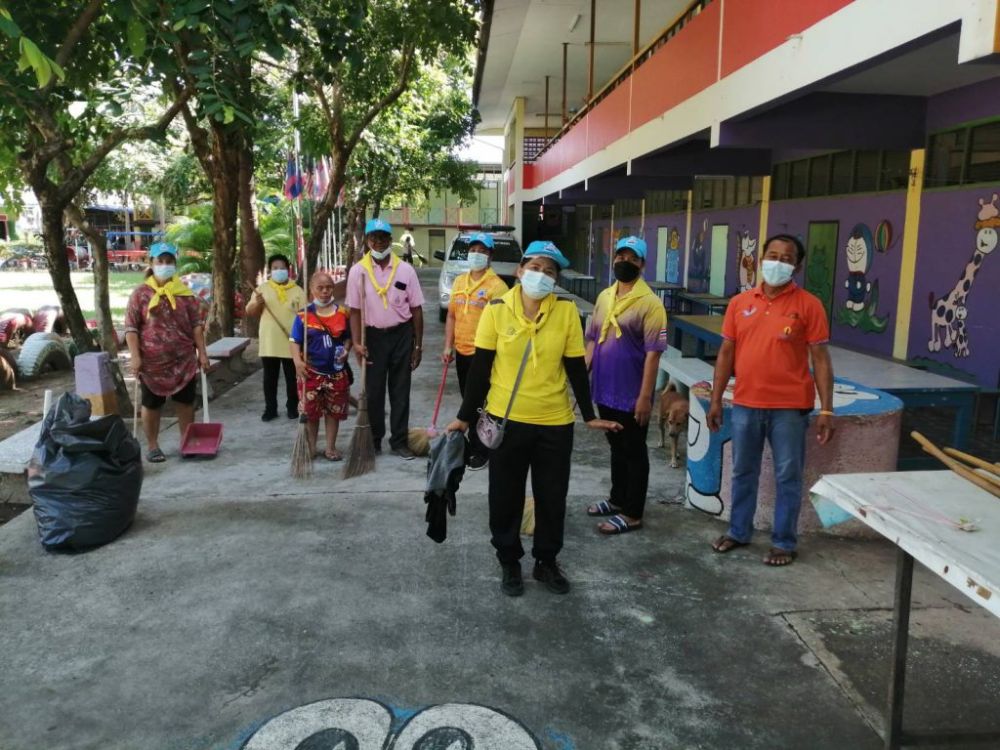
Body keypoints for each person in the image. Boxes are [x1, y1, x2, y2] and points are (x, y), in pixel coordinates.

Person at [445, 240, 622, 597]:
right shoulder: (496, 310)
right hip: (506, 421)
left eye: (550, 271)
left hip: (554, 424)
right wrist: (464, 419)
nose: (541, 276)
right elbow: (480, 370)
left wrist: (588, 416)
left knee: (552, 496)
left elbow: (574, 368)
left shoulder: (566, 312)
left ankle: (546, 562)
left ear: (556, 279)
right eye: (536, 268)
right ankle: (509, 560)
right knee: (505, 496)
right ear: (521, 270)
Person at [707, 234, 835, 566]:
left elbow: (820, 359)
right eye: (773, 255)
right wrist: (717, 399)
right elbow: (726, 353)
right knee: (742, 471)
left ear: (798, 266)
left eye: (787, 258)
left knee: (788, 476)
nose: (778, 262)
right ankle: (738, 531)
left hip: (790, 409)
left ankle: (783, 542)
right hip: (747, 403)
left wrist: (827, 408)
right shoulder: (740, 303)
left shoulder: (809, 305)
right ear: (761, 258)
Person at [585, 236, 666, 535]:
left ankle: (633, 513)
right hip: (604, 389)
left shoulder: (651, 304)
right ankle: (617, 498)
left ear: (642, 264)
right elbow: (593, 338)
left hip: (632, 393)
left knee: (634, 451)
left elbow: (653, 354)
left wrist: (646, 397)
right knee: (615, 446)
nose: (625, 263)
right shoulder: (605, 296)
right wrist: (583, 378)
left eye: (633, 259)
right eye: (621, 256)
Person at [124, 242, 211, 463]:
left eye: (169, 261)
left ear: (175, 264)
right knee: (152, 403)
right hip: (152, 363)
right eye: (160, 261)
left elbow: (196, 326)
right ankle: (153, 446)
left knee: (185, 402)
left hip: (183, 359)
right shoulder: (140, 295)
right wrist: (135, 356)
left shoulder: (185, 294)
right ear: (151, 264)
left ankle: (187, 442)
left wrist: (202, 353)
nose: (164, 265)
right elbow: (131, 328)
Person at [346, 217, 425, 459]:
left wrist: (417, 345)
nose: (378, 242)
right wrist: (357, 343)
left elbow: (417, 309)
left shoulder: (405, 270)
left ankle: (399, 441)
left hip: (401, 335)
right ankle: (375, 439)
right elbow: (354, 310)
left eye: (383, 237)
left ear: (390, 240)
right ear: (367, 241)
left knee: (400, 390)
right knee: (374, 391)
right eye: (374, 238)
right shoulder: (358, 271)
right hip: (373, 338)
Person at [441, 232, 509, 470]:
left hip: (485, 355)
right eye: (473, 250)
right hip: (461, 351)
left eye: (482, 251)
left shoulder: (498, 286)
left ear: (490, 255)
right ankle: (474, 443)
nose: (476, 255)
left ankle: (483, 449)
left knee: (482, 403)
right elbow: (451, 316)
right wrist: (448, 345)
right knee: (469, 399)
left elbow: (501, 324)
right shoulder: (459, 282)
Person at [290, 272, 352, 461]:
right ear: (312, 289)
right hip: (311, 373)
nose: (325, 291)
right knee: (311, 413)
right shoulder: (304, 316)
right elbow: (294, 341)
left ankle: (330, 448)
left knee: (334, 412)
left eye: (329, 287)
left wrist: (346, 350)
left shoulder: (342, 313)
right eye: (320, 288)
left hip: (336, 373)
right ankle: (311, 447)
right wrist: (297, 361)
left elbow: (347, 338)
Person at [245, 254, 307, 421]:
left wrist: (303, 339)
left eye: (282, 268)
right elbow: (250, 312)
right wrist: (256, 303)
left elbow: (305, 317)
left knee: (292, 378)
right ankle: (270, 409)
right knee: (269, 378)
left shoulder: (298, 291)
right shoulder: (262, 289)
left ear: (288, 270)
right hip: (269, 341)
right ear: (270, 271)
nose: (279, 271)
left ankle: (292, 407)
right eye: (275, 268)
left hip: (292, 342)